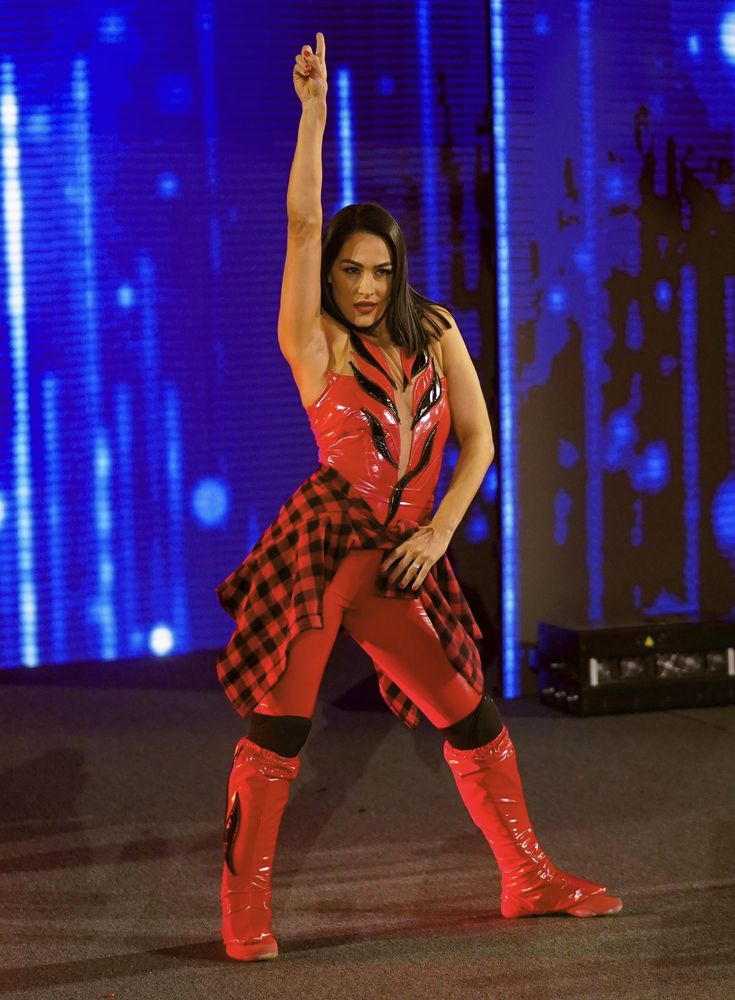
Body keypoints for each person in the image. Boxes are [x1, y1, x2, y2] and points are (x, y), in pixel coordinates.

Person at [214, 31, 623, 963]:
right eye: (349, 270)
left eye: (378, 270)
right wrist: (314, 116)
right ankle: (244, 906)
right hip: (326, 555)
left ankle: (527, 877)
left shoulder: (435, 334)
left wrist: (441, 533)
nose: (362, 285)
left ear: (398, 273)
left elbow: (478, 442)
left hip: (405, 558)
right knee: (278, 731)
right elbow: (302, 223)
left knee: (472, 715)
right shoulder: (310, 340)